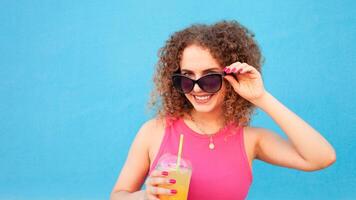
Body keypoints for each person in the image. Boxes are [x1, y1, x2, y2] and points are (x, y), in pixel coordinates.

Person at [110, 20, 336, 200]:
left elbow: (321, 157)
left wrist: (262, 98)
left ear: (231, 78)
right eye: (187, 77)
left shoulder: (250, 140)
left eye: (209, 78)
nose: (197, 88)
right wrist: (145, 197)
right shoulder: (154, 131)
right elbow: (118, 196)